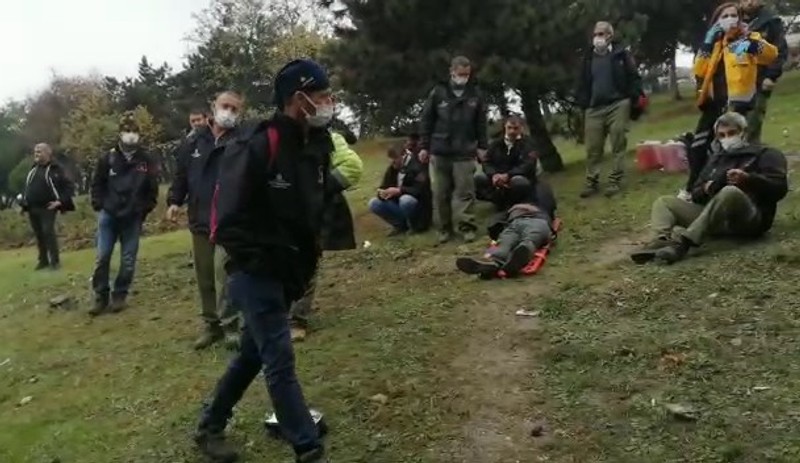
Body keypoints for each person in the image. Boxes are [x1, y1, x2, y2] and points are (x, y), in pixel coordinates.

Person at [194, 59, 332, 463]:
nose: (329, 103)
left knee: (253, 354)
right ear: (299, 100)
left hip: (287, 272)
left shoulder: (313, 144)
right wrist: (262, 261)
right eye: (322, 96)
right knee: (278, 357)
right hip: (255, 272)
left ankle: (209, 425)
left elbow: (310, 210)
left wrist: (304, 262)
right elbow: (226, 221)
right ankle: (307, 447)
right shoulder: (258, 142)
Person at [631, 112, 787, 266]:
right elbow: (696, 193)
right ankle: (660, 241)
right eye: (722, 135)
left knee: (730, 191)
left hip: (750, 218)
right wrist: (708, 188)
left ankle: (684, 243)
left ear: (744, 133)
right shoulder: (716, 160)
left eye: (732, 133)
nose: (727, 138)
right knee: (664, 202)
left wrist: (748, 179)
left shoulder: (766, 154)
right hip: (715, 219)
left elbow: (779, 187)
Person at [167, 93, 244, 350]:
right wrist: (174, 201)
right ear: (214, 107)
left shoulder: (242, 141)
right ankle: (211, 325)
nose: (229, 112)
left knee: (226, 273)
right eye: (225, 106)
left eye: (234, 109)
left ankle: (230, 325)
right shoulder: (193, 142)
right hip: (200, 218)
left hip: (229, 219)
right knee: (205, 276)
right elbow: (181, 176)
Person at [683, 2, 778, 195]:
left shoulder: (749, 38)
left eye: (733, 15)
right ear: (717, 22)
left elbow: (771, 54)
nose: (730, 19)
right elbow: (699, 70)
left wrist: (751, 43)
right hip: (713, 105)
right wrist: (708, 42)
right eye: (724, 16)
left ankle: (735, 191)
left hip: (738, 105)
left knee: (734, 151)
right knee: (697, 147)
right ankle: (693, 188)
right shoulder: (715, 45)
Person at [289, 129, 363, 342]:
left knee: (308, 262)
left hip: (315, 212)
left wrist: (319, 189)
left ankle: (296, 318)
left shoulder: (331, 138)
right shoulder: (279, 136)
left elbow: (352, 167)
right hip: (284, 208)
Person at [89, 112, 159, 316]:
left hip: (133, 216)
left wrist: (145, 208)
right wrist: (99, 204)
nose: (131, 135)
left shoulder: (146, 160)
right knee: (102, 257)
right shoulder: (108, 158)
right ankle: (100, 295)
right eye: (127, 131)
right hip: (109, 214)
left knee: (128, 259)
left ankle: (120, 294)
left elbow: (152, 187)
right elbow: (97, 184)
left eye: (134, 131)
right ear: (120, 133)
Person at [419, 55, 488, 244]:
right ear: (452, 72)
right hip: (440, 150)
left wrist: (482, 146)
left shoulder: (475, 94)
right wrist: (424, 146)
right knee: (441, 192)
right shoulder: (438, 92)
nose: (463, 78)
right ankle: (444, 229)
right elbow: (426, 120)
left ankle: (467, 227)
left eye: (466, 74)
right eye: (460, 74)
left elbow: (481, 123)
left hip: (465, 150)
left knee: (465, 192)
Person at [574, 21, 643, 198]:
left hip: (618, 104)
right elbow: (582, 83)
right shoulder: (587, 58)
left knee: (618, 141)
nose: (598, 37)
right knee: (593, 148)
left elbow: (634, 77)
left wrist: (633, 97)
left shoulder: (621, 55)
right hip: (594, 108)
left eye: (602, 34)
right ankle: (591, 182)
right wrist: (583, 103)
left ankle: (615, 181)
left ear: (610, 36)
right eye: (596, 34)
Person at [456, 183, 557, 279]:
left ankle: (520, 255)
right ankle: (492, 263)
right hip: (513, 223)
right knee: (505, 242)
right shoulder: (510, 199)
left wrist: (526, 208)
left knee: (530, 238)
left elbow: (550, 208)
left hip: (537, 220)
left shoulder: (540, 194)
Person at [19, 143, 75, 270]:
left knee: (47, 232)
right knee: (39, 234)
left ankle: (55, 261)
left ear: (48, 153)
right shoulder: (33, 169)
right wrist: (24, 204)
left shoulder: (56, 169)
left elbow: (69, 187)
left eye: (39, 151)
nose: (36, 154)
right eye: (35, 151)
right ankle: (43, 260)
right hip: (33, 207)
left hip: (48, 207)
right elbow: (27, 188)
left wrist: (60, 201)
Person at [740, 0, 788, 143]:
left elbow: (780, 50)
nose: (749, 2)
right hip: (735, 81)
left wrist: (771, 76)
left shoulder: (771, 21)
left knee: (752, 123)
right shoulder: (733, 19)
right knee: (732, 122)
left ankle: (752, 156)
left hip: (760, 79)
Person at [474, 115, 539, 210]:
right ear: (505, 127)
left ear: (522, 128)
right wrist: (493, 175)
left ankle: (516, 203)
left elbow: (528, 165)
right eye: (509, 128)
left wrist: (508, 175)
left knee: (519, 182)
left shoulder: (529, 143)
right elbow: (486, 161)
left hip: (518, 177)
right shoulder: (495, 143)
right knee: (478, 178)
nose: (512, 131)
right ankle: (498, 201)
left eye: (516, 128)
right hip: (497, 178)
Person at [368, 144, 432, 236]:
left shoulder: (417, 166)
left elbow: (421, 190)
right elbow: (383, 186)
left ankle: (416, 226)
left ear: (403, 156)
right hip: (397, 203)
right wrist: (383, 193)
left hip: (418, 206)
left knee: (406, 200)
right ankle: (400, 226)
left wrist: (400, 191)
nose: (392, 163)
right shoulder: (392, 168)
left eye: (395, 159)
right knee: (374, 203)